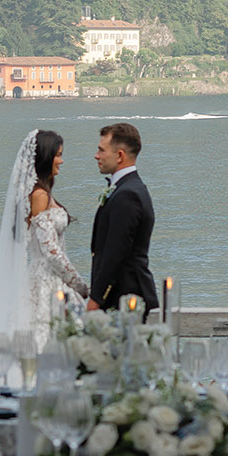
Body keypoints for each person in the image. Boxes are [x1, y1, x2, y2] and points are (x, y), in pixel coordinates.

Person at [0, 127, 89, 347]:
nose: (62, 161)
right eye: (58, 155)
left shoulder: (43, 194)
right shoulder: (39, 196)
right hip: (48, 279)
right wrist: (78, 284)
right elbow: (50, 249)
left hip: (48, 276)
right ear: (46, 158)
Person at [88, 122, 158, 318]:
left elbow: (115, 253)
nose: (97, 155)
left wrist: (96, 299)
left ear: (119, 155)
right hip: (121, 299)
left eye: (101, 150)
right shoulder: (127, 189)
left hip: (128, 301)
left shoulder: (128, 195)